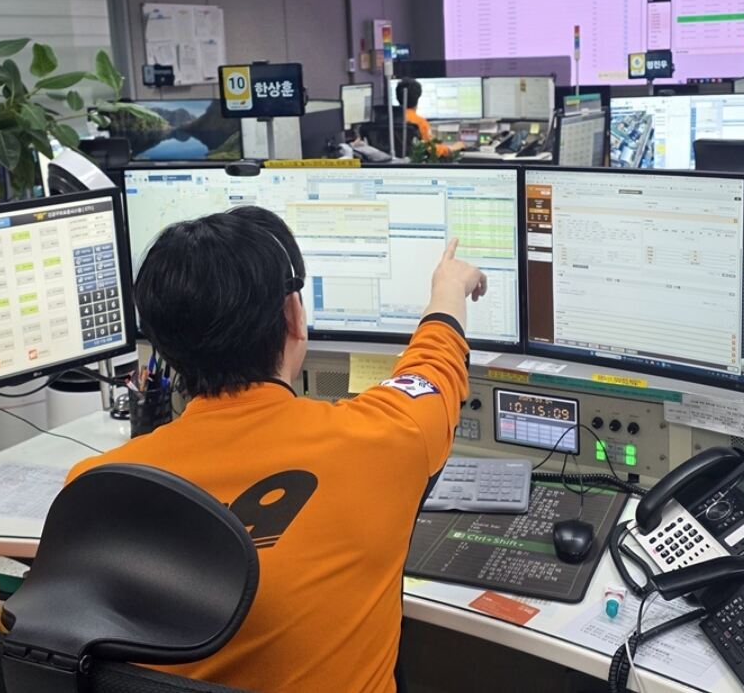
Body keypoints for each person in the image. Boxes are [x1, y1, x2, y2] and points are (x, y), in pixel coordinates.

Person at [67, 206, 487, 693]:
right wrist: (448, 287)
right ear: (293, 316)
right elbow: (434, 366)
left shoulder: (95, 487)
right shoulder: (387, 438)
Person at [396, 77, 464, 157]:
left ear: (397, 97)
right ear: (418, 97)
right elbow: (433, 150)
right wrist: (453, 148)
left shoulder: (390, 119)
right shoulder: (420, 123)